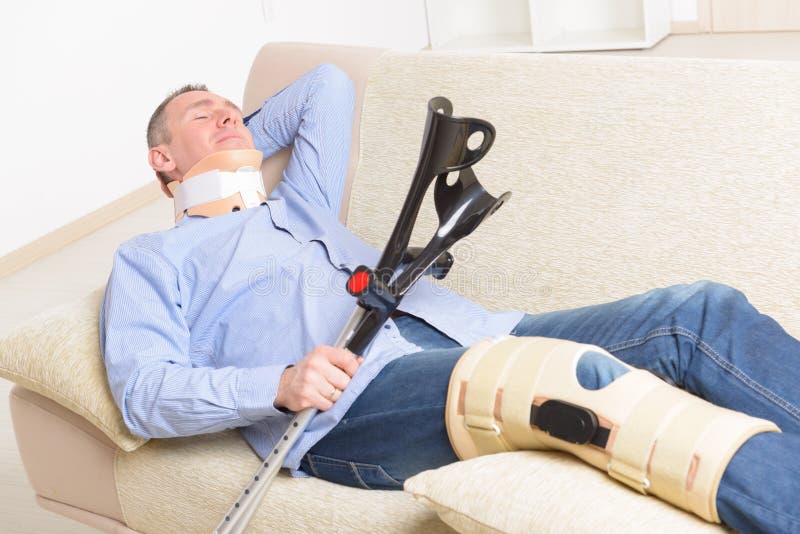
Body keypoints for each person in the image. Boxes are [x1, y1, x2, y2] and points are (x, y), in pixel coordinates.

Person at [100, 63, 800, 533]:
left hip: (476, 331)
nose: (229, 117)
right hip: (357, 404)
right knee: (573, 387)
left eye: (234, 111)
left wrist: (232, 146)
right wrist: (278, 384)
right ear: (161, 159)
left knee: (699, 312)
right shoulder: (151, 260)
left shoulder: (300, 202)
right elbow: (143, 391)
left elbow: (326, 86)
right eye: (203, 115)